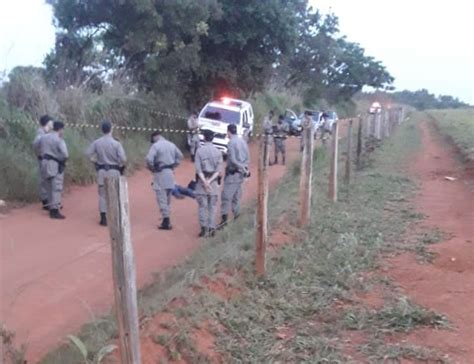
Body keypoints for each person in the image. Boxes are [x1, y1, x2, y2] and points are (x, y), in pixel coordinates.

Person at [86, 120, 127, 226]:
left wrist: (95, 161)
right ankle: (115, 216)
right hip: (114, 171)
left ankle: (103, 218)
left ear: (102, 130)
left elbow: (88, 154)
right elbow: (123, 159)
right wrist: (120, 166)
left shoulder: (97, 142)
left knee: (102, 195)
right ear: (111, 129)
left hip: (102, 171)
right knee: (115, 194)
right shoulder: (116, 144)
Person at [146, 130, 183, 230]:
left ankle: (166, 221)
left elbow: (149, 159)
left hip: (160, 173)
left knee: (161, 197)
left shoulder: (155, 146)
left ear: (154, 137)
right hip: (170, 173)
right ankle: (166, 217)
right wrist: (174, 165)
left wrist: (152, 168)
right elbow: (180, 156)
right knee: (167, 197)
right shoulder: (171, 145)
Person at [194, 129, 223, 237]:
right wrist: (210, 181)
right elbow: (218, 170)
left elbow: (198, 169)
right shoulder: (218, 152)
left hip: (202, 182)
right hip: (214, 182)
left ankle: (203, 229)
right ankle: (211, 228)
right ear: (212, 138)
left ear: (204, 138)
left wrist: (205, 182)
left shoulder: (199, 151)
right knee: (213, 207)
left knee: (202, 207)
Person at [220, 124, 250, 226]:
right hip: (241, 175)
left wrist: (240, 167)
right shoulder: (243, 142)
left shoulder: (231, 143)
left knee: (226, 197)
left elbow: (232, 160)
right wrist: (245, 169)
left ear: (229, 132)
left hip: (233, 173)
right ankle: (237, 219)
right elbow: (247, 157)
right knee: (236, 197)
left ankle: (224, 222)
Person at [39, 121, 68, 219]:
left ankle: (50, 207)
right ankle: (55, 210)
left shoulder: (43, 137)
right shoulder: (59, 139)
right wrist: (62, 161)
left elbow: (35, 146)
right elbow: (65, 154)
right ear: (60, 129)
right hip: (54, 163)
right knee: (56, 187)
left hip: (44, 162)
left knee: (48, 187)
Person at [33, 115, 54, 210]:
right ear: (47, 122)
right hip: (43, 159)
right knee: (44, 180)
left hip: (50, 160)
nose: (52, 123)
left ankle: (50, 201)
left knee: (49, 180)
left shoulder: (49, 132)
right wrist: (39, 154)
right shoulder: (41, 133)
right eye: (51, 121)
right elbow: (35, 145)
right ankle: (45, 202)